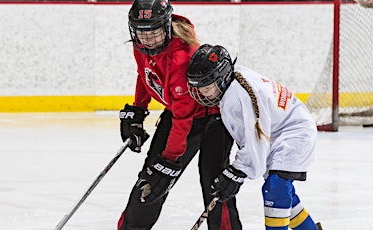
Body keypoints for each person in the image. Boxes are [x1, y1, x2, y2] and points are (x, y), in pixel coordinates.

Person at [117, 0, 242, 229]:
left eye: (153, 33)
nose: (147, 40)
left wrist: (168, 163)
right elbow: (145, 74)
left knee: (215, 184)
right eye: (141, 33)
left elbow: (183, 120)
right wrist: (138, 109)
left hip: (213, 120)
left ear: (166, 26)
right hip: (177, 114)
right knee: (150, 182)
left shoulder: (182, 58)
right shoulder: (141, 46)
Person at [186, 44, 323, 230]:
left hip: (293, 133)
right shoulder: (234, 80)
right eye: (199, 86)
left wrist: (238, 171)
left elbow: (254, 138)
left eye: (207, 86)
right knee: (284, 197)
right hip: (280, 130)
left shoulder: (239, 97)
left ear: (222, 77)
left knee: (275, 190)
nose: (203, 92)